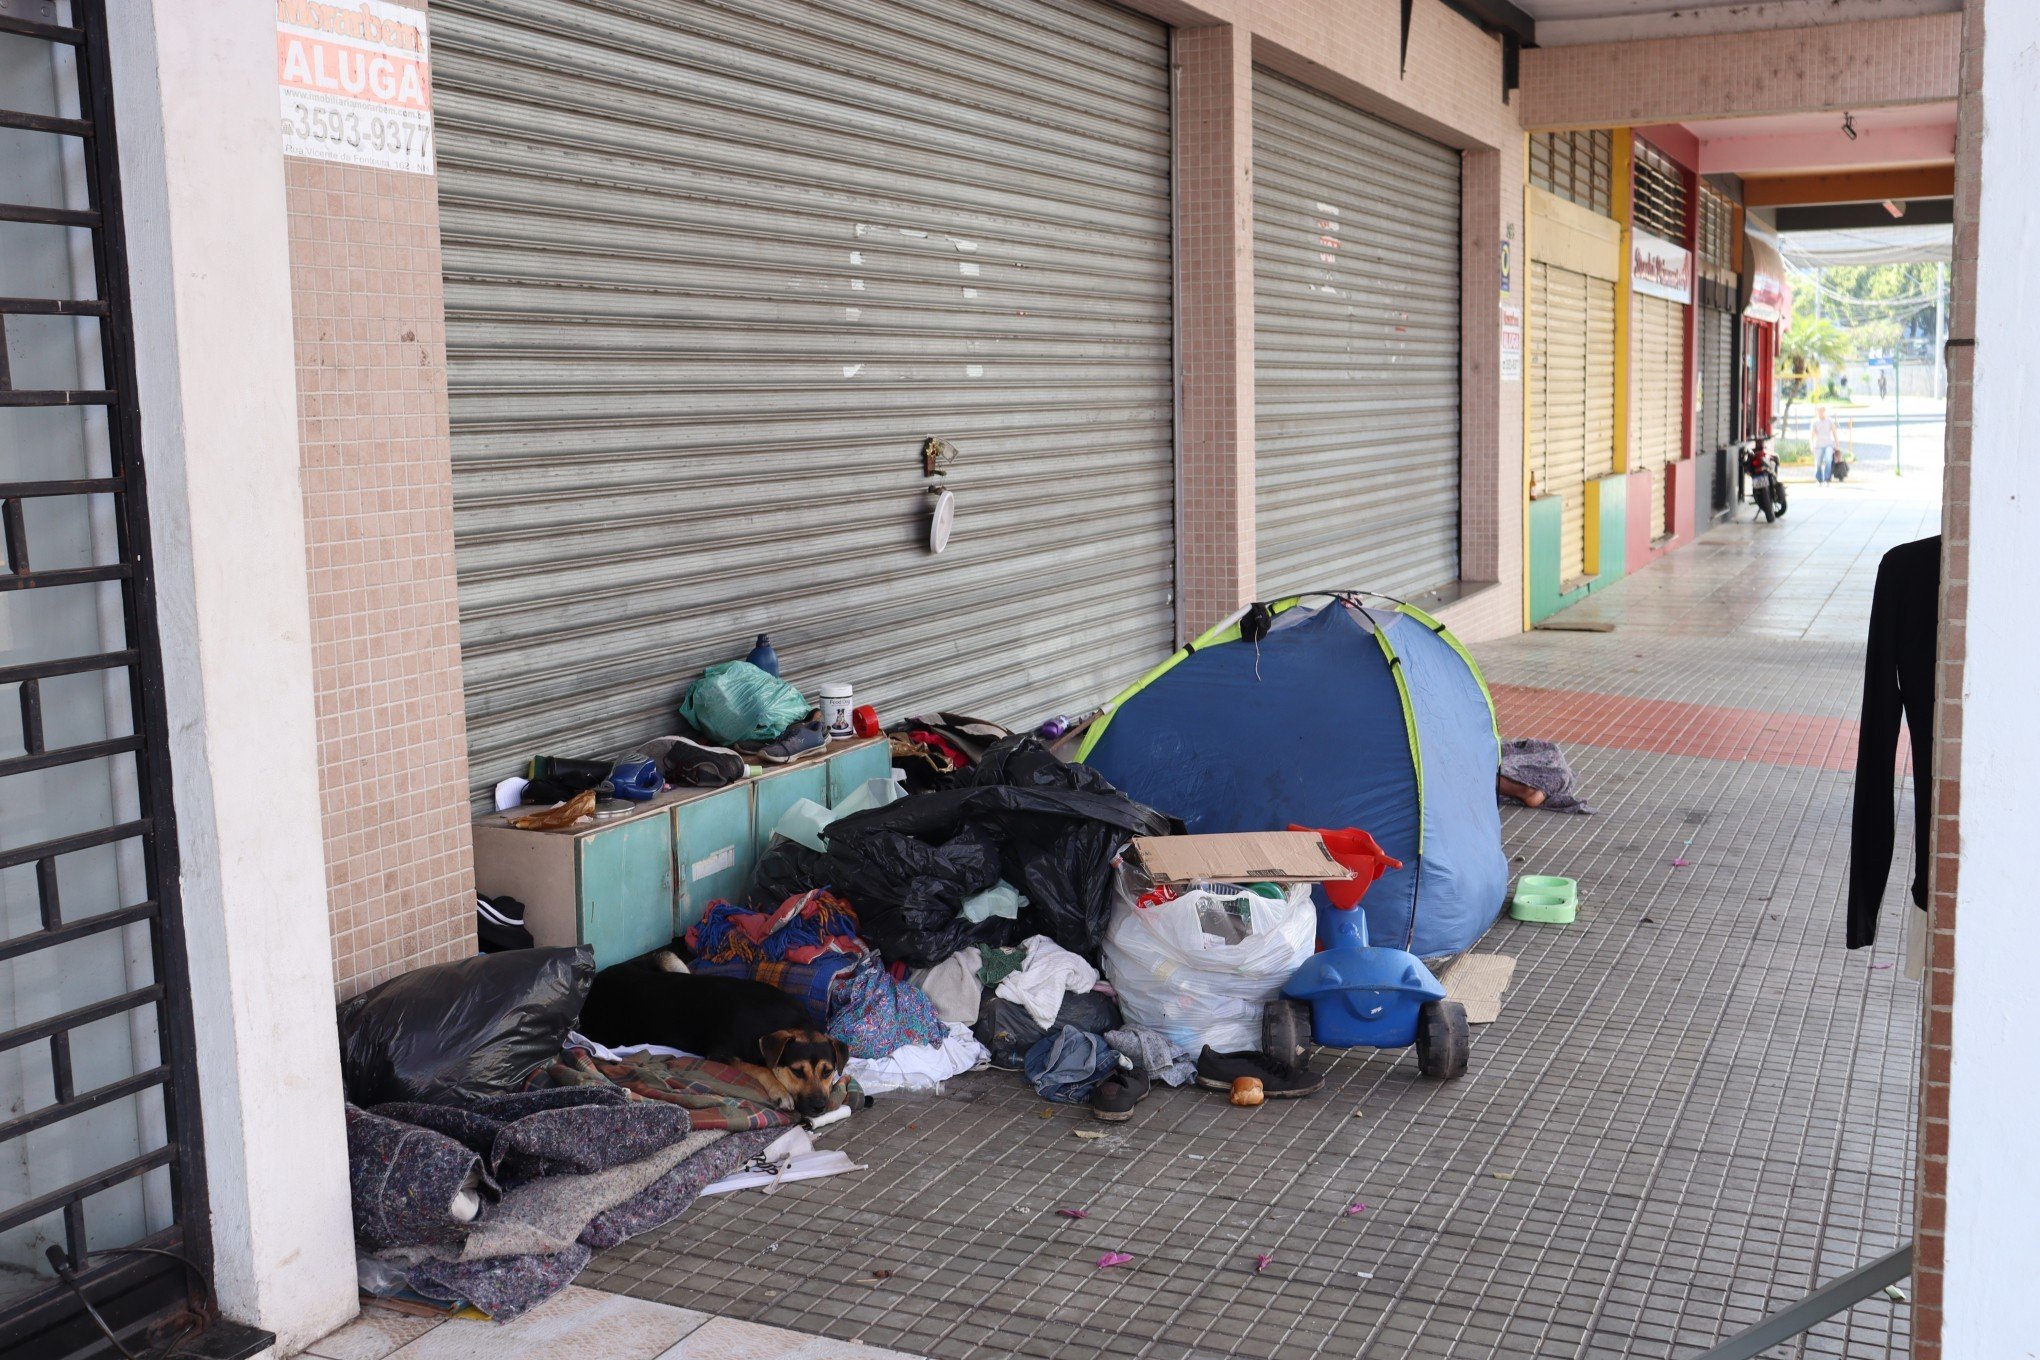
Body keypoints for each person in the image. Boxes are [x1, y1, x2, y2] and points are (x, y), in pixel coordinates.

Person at [1810, 405, 1840, 484]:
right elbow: (1812, 435)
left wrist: (1837, 444)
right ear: (1817, 412)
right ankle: (1819, 479)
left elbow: (1834, 432)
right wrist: (1812, 445)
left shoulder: (1830, 421)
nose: (1821, 413)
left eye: (1822, 411)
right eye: (1819, 411)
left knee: (1828, 460)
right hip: (1818, 445)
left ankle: (1827, 479)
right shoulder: (1815, 421)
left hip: (1828, 445)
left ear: (1825, 411)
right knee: (1818, 463)